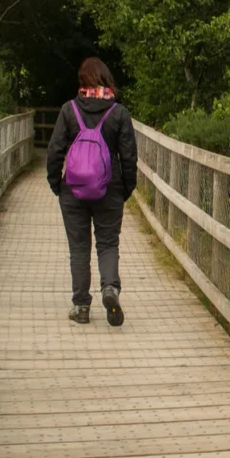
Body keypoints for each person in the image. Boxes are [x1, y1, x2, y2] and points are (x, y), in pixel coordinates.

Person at [46, 57, 137, 326]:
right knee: (108, 243)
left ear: (82, 81)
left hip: (72, 191)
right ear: (106, 79)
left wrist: (56, 184)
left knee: (79, 248)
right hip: (110, 189)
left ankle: (81, 306)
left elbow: (54, 151)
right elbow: (129, 157)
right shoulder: (119, 113)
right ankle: (110, 288)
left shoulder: (69, 110)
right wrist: (126, 189)